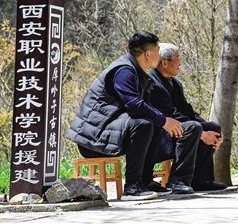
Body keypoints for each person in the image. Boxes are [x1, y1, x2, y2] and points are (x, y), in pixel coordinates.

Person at [67, 32, 197, 200]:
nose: (159, 54)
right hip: (93, 137)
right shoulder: (124, 71)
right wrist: (164, 121)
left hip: (110, 130)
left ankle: (145, 181)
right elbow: (134, 105)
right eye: (158, 50)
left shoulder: (138, 71)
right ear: (148, 54)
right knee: (143, 124)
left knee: (152, 121)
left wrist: (162, 121)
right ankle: (132, 187)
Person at [149, 43, 227, 191]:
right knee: (193, 128)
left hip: (177, 131)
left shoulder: (175, 84)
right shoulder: (153, 84)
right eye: (178, 58)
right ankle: (177, 181)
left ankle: (201, 180)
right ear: (165, 62)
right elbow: (171, 115)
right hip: (158, 137)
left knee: (212, 127)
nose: (180, 63)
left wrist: (212, 133)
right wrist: (202, 134)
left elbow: (188, 112)